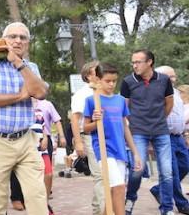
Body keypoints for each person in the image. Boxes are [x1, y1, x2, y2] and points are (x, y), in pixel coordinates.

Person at [0, 22, 49, 215]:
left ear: (28, 44)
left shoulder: (30, 67)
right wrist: (20, 96)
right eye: (13, 36)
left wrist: (18, 63)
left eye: (23, 38)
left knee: (37, 195)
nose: (17, 41)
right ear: (4, 40)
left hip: (25, 140)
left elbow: (40, 92)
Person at [121, 49, 175, 215]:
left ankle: (167, 209)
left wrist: (158, 119)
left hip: (161, 130)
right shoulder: (128, 81)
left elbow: (169, 104)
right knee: (137, 170)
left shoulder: (164, 80)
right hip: (137, 131)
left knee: (166, 172)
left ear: (149, 62)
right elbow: (124, 107)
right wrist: (136, 122)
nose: (134, 65)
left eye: (138, 62)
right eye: (133, 62)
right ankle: (130, 200)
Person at [84, 62, 142, 215]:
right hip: (103, 150)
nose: (111, 84)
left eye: (114, 81)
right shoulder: (92, 100)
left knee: (114, 191)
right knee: (119, 187)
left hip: (119, 150)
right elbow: (85, 128)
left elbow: (125, 128)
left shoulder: (120, 100)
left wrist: (135, 153)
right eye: (107, 81)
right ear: (99, 80)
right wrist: (96, 121)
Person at [150, 66, 189, 214]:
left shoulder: (177, 93)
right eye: (170, 76)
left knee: (185, 165)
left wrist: (184, 135)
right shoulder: (154, 93)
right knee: (172, 173)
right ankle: (182, 204)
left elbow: (180, 115)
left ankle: (158, 189)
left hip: (178, 137)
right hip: (164, 137)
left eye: (174, 76)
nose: (174, 79)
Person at [70, 60, 104, 214]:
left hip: (107, 137)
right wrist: (78, 142)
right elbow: (75, 120)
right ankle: (99, 210)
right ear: (89, 75)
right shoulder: (82, 94)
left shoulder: (105, 90)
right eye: (98, 70)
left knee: (107, 176)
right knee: (100, 176)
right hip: (90, 137)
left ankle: (102, 209)